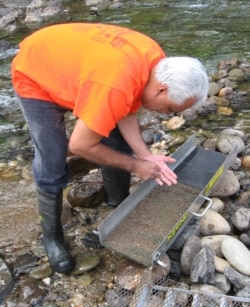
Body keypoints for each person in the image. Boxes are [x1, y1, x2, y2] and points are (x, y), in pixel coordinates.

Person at [11, 23, 208, 274]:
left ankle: (118, 204)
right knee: (53, 158)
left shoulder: (154, 63)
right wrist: (136, 165)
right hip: (37, 72)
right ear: (161, 89)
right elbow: (80, 145)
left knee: (116, 139)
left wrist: (145, 155)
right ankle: (52, 238)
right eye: (170, 108)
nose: (168, 114)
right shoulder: (115, 84)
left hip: (83, 72)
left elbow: (125, 108)